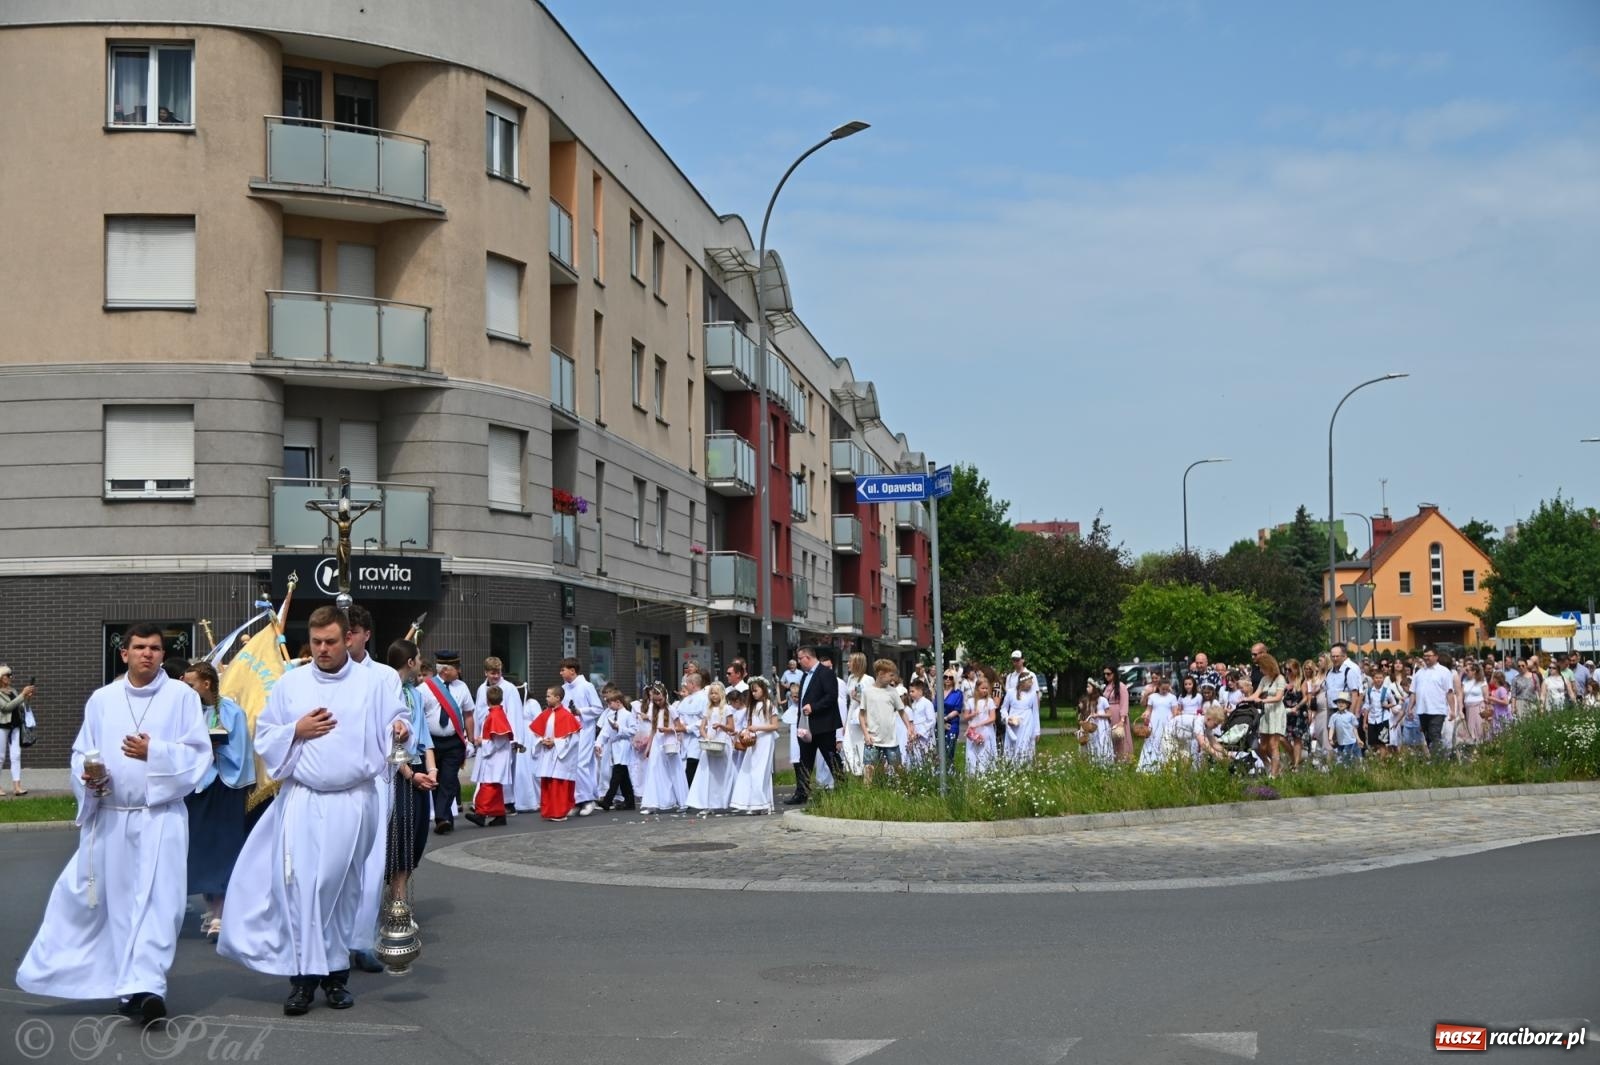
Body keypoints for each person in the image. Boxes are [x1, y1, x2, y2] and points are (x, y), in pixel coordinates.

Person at [16, 624, 211, 1026]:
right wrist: (91, 778)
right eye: (139, 647)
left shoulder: (182, 698)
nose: (148, 654)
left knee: (163, 905)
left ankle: (150, 985)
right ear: (124, 654)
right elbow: (82, 752)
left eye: (155, 648)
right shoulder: (102, 700)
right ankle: (132, 987)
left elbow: (198, 754)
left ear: (163, 653)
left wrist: (153, 751)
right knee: (120, 906)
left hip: (161, 817)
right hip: (113, 816)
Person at [219, 606, 409, 1016]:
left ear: (349, 640)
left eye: (332, 642)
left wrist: (399, 728)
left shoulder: (374, 681)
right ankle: (305, 980)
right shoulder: (291, 684)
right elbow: (265, 735)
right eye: (317, 642)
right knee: (301, 886)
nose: (323, 649)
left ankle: (335, 976)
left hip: (354, 800)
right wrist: (296, 731)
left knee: (337, 887)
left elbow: (396, 715)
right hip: (303, 799)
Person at [181, 661, 255, 942]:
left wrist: (215, 749)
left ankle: (222, 915)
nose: (188, 689)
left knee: (223, 849)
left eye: (191, 684)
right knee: (201, 851)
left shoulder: (230, 711)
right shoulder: (189, 713)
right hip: (198, 787)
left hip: (224, 786)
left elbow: (241, 748)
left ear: (206, 684)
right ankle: (212, 910)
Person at [383, 639, 435, 910]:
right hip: (396, 771)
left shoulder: (416, 694)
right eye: (418, 657)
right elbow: (387, 740)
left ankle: (398, 898)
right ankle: (398, 902)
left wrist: (431, 769)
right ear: (411, 662)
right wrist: (408, 773)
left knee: (417, 834)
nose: (421, 661)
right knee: (399, 833)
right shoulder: (387, 692)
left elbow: (424, 735)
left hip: (417, 770)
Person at [784, 645, 845, 805]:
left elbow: (831, 697)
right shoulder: (805, 676)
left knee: (831, 757)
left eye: (800, 658)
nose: (798, 662)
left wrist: (814, 707)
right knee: (805, 759)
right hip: (807, 726)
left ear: (808, 657)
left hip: (824, 726)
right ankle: (802, 792)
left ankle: (844, 787)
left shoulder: (826, 673)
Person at [422, 651, 473, 835]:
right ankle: (444, 818)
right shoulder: (425, 688)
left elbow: (468, 714)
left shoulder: (462, 687)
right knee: (436, 780)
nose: (459, 671)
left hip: (454, 742)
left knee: (449, 780)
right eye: (455, 668)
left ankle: (441, 817)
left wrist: (471, 739)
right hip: (432, 743)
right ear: (444, 670)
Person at [477, 657, 528, 815]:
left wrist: (516, 739)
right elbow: (477, 712)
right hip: (486, 737)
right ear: (486, 672)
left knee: (504, 771)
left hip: (504, 737)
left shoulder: (509, 688)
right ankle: (489, 804)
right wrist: (476, 737)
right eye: (492, 673)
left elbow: (515, 714)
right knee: (487, 772)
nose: (496, 676)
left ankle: (508, 802)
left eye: (498, 672)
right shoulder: (481, 689)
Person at [559, 658, 604, 816]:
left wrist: (580, 711)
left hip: (585, 729)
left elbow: (598, 708)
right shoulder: (564, 688)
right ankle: (577, 800)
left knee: (581, 764)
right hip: (569, 731)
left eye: (563, 669)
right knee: (571, 766)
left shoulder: (586, 686)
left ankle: (588, 799)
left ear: (573, 670)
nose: (561, 673)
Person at [529, 686, 581, 820]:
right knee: (547, 781)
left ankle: (559, 812)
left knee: (558, 783)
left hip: (560, 755)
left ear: (558, 698)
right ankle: (548, 810)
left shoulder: (567, 715)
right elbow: (536, 733)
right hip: (547, 752)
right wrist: (542, 740)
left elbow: (573, 738)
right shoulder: (545, 713)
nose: (546, 698)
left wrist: (556, 743)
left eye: (548, 696)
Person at [466, 686, 514, 827]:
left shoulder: (495, 715)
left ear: (487, 700)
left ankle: (481, 814)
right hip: (495, 756)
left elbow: (499, 741)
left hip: (496, 757)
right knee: (494, 785)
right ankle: (499, 815)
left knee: (489, 784)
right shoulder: (497, 714)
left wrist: (482, 742)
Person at [730, 677, 780, 813]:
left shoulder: (769, 705)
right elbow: (749, 724)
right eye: (751, 691)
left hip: (766, 740)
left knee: (761, 771)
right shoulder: (752, 707)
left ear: (763, 689)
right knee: (750, 770)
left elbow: (775, 725)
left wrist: (757, 728)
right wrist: (746, 732)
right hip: (755, 740)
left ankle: (762, 803)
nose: (753, 694)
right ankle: (753, 803)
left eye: (756, 691)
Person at [686, 681, 738, 812]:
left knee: (725, 772)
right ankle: (708, 803)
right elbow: (702, 727)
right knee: (708, 773)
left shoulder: (727, 709)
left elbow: (731, 727)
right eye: (711, 693)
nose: (713, 696)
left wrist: (721, 726)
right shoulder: (707, 709)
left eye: (716, 693)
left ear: (721, 694)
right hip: (710, 742)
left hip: (722, 741)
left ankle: (730, 800)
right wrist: (705, 736)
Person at [860, 660, 912, 783]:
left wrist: (909, 727)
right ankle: (867, 794)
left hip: (890, 739)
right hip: (872, 738)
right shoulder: (867, 692)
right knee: (869, 768)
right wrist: (866, 734)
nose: (893, 679)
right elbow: (861, 715)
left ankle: (908, 788)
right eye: (891, 675)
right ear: (881, 674)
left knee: (897, 766)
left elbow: (902, 711)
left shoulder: (892, 691)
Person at [638, 683, 687, 814]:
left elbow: (681, 728)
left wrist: (669, 729)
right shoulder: (653, 710)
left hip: (669, 742)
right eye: (655, 700)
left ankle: (682, 801)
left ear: (665, 696)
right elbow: (653, 731)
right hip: (656, 743)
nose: (658, 702)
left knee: (674, 771)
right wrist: (648, 748)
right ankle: (652, 803)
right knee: (653, 771)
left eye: (660, 699)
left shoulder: (671, 709)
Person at [597, 689, 639, 810]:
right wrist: (599, 744)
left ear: (618, 702)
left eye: (610, 703)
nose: (609, 706)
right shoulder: (610, 715)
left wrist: (619, 728)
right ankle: (630, 802)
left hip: (623, 746)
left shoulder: (627, 715)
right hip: (614, 747)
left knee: (616, 775)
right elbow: (605, 731)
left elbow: (633, 730)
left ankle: (607, 800)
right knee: (623, 777)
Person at [1411, 648, 1457, 752]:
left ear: (1436, 657)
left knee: (1434, 734)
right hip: (1422, 710)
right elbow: (1413, 692)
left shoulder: (1444, 672)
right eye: (1425, 656)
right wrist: (1409, 708)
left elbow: (1449, 692)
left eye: (1429, 656)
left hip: (1437, 710)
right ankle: (1436, 759)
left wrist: (1453, 710)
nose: (1426, 658)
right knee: (1428, 737)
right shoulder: (1419, 673)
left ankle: (1438, 761)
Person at [0, 666, 35, 794]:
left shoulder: (13, 691)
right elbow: (6, 708)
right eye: (8, 675)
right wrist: (22, 694)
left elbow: (21, 706)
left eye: (11, 675)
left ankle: (17, 787)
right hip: (2, 727)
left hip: (15, 727)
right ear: (1, 677)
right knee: (0, 757)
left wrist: (27, 697)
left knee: (16, 756)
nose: (10, 678)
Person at [675, 668, 709, 790]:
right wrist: (681, 725)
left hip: (696, 736)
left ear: (693, 684)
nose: (685, 686)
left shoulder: (704, 698)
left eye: (687, 683)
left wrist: (688, 728)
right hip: (685, 738)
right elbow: (680, 715)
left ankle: (691, 793)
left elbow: (705, 719)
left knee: (693, 763)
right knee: (685, 765)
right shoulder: (687, 699)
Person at [1254, 653, 1288, 776]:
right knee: (1262, 746)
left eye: (1262, 667)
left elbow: (1279, 697)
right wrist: (1246, 699)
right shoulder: (1264, 679)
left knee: (1274, 745)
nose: (1260, 670)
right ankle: (1273, 764)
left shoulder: (1280, 679)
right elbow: (1256, 694)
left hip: (1276, 712)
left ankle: (1274, 775)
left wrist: (1263, 700)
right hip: (1266, 713)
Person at [1136, 676, 1178, 772]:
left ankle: (1166, 766)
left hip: (1167, 722)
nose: (1165, 691)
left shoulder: (1172, 697)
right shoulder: (1152, 697)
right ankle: (1149, 765)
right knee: (1152, 741)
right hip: (1154, 722)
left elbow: (1175, 712)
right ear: (1158, 687)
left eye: (1167, 689)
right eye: (1163, 689)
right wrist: (1145, 714)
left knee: (1166, 742)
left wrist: (1172, 720)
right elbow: (1148, 710)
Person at [841, 652, 872, 776]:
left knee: (860, 743)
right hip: (852, 713)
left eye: (850, 661)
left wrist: (858, 699)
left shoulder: (868, 679)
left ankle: (864, 771)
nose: (847, 663)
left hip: (862, 715)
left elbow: (871, 701)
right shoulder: (851, 678)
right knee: (849, 742)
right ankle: (854, 770)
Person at [1002, 670, 1041, 764]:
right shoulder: (1011, 692)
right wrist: (1007, 718)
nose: (1032, 684)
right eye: (1029, 682)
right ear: (1023, 683)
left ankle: (1025, 767)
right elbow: (1003, 708)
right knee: (1013, 745)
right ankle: (1011, 766)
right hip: (1013, 725)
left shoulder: (1032, 695)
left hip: (1027, 723)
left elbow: (1035, 712)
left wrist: (1037, 731)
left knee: (1025, 744)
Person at [961, 673, 997, 775]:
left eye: (986, 688)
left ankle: (985, 772)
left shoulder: (989, 701)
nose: (985, 691)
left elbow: (992, 718)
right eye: (982, 688)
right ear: (977, 688)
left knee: (985, 752)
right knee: (972, 752)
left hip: (986, 730)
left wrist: (980, 724)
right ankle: (971, 773)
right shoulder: (971, 701)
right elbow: (965, 716)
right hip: (973, 731)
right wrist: (973, 714)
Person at [1080, 681, 1114, 765]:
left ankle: (1105, 763)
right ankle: (1094, 763)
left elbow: (1109, 714)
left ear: (1094, 688)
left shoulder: (1102, 700)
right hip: (1093, 725)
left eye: (1089, 687)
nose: (1087, 689)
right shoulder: (1089, 701)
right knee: (1093, 743)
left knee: (1102, 742)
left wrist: (1098, 715)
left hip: (1102, 725)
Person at [905, 678, 938, 766]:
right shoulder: (913, 704)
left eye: (913, 691)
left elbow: (931, 720)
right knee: (916, 758)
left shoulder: (927, 703)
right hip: (915, 734)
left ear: (920, 691)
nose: (910, 694)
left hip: (925, 736)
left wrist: (921, 732)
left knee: (927, 758)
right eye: (910, 692)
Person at [1328, 693, 1362, 764]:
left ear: (1347, 704)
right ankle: (1344, 771)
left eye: (1343, 702)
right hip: (1340, 741)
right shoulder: (1334, 716)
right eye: (1339, 702)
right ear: (1336, 704)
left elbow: (1354, 729)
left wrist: (1358, 739)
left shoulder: (1350, 716)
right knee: (1341, 758)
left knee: (1347, 757)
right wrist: (1330, 738)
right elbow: (1332, 727)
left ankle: (1350, 770)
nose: (1341, 704)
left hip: (1350, 741)